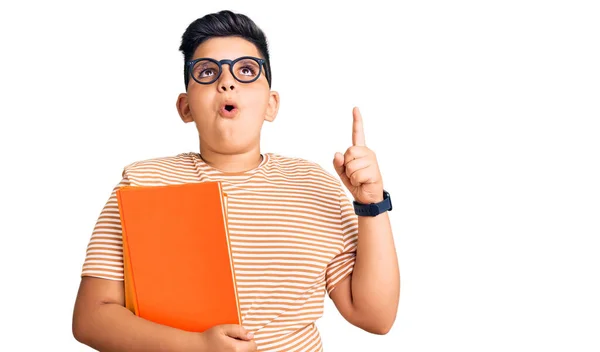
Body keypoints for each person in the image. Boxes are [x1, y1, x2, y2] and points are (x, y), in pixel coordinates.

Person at [72, 10, 399, 352]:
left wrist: (372, 203)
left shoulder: (315, 185)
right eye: (208, 72)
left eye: (245, 70)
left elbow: (375, 317)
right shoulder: (142, 183)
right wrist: (197, 346)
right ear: (185, 108)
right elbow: (91, 317)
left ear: (271, 105)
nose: (226, 82)